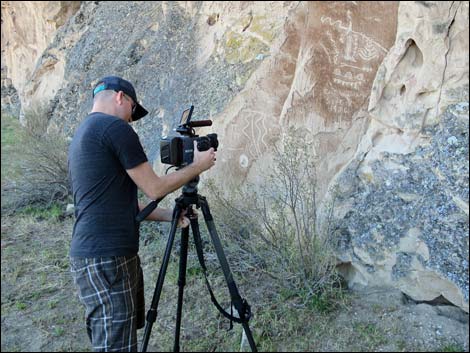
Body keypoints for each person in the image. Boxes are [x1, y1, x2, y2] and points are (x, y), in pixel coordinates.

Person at [68, 75, 216, 352]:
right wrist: (198, 166)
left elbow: (126, 205)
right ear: (120, 97)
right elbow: (154, 188)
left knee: (116, 339)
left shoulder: (84, 133)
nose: (131, 120)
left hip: (96, 255)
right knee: (117, 346)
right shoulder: (114, 128)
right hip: (108, 258)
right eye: (132, 111)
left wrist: (172, 215)